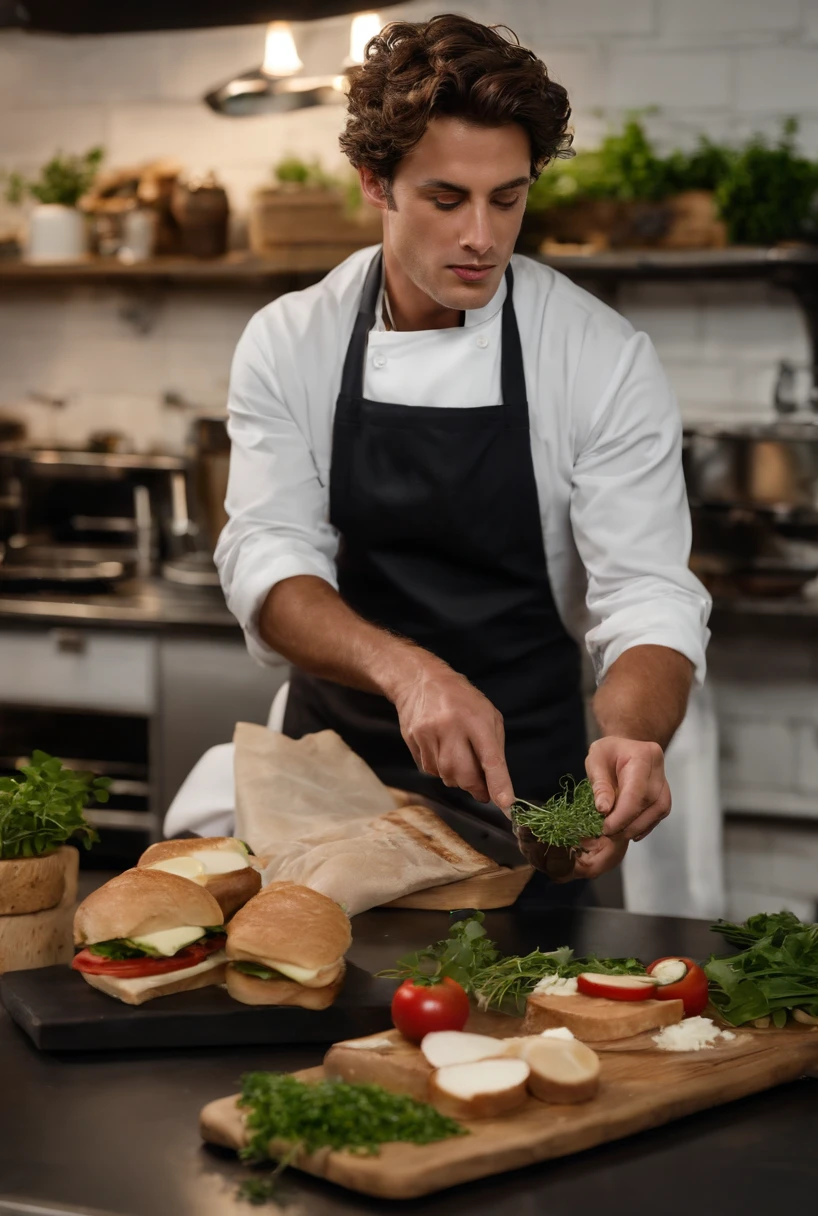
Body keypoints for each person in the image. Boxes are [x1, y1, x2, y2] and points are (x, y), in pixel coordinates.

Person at [215, 14, 711, 900]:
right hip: (332, 782)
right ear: (377, 183)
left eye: (508, 198)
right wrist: (413, 676)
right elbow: (268, 556)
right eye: (447, 199)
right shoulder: (291, 340)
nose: (482, 236)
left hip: (538, 795)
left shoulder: (598, 354)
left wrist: (636, 732)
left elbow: (647, 592)